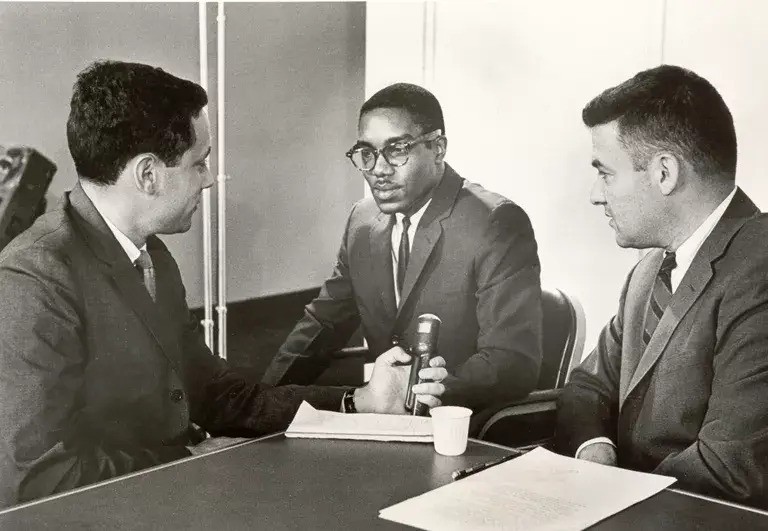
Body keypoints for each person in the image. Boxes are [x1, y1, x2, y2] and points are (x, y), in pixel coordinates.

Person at [0, 61, 447, 509]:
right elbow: (39, 480)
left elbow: (218, 395)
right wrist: (188, 461)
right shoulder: (34, 279)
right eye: (200, 162)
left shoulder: (150, 256)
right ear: (148, 174)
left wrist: (358, 400)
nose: (210, 179)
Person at [555, 64, 768, 508]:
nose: (596, 194)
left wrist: (609, 497)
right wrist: (598, 453)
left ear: (664, 173)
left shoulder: (760, 268)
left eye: (605, 172)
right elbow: (587, 390)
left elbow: (729, 466)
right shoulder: (650, 268)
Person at [262, 82, 543, 413]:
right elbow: (322, 325)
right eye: (366, 153)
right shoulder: (362, 220)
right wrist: (259, 402)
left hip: (460, 423)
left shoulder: (494, 221)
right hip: (388, 423)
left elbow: (512, 360)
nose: (379, 170)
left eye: (397, 149)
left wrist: (419, 394)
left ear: (438, 148)